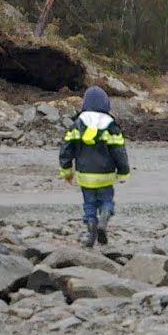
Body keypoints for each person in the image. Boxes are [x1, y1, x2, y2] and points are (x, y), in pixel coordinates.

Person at [58, 85, 130, 247]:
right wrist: (123, 171)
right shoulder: (111, 125)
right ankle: (104, 217)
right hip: (105, 175)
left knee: (89, 204)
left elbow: (66, 150)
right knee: (106, 200)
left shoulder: (77, 124)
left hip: (84, 174)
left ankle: (91, 232)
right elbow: (119, 151)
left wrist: (66, 171)